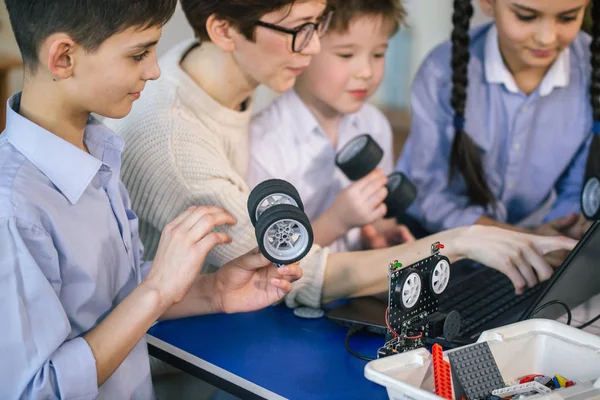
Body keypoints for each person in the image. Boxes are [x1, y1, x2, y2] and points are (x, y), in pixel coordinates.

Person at [108, 0, 577, 310]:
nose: (313, 48)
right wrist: (458, 241)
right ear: (224, 29)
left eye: (318, 25)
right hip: (180, 362)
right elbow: (300, 271)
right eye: (299, 31)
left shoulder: (214, 74)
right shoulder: (174, 143)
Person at [0, 1, 301, 398]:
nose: (154, 70)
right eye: (139, 53)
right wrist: (156, 289)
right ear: (64, 57)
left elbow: (112, 298)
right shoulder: (14, 210)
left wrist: (213, 291)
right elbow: (36, 390)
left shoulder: (97, 150)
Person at [397, 0, 593, 243]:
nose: (546, 38)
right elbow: (433, 197)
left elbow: (578, 191)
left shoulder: (590, 71)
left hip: (540, 237)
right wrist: (526, 240)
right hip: (431, 237)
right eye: (525, 17)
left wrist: (563, 230)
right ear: (487, 3)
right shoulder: (440, 73)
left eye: (567, 18)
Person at [248, 0, 415, 254]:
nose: (366, 72)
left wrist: (380, 235)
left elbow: (381, 217)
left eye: (378, 54)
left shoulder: (373, 124)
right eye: (346, 55)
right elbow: (268, 256)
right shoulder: (266, 143)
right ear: (304, 48)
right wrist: (338, 221)